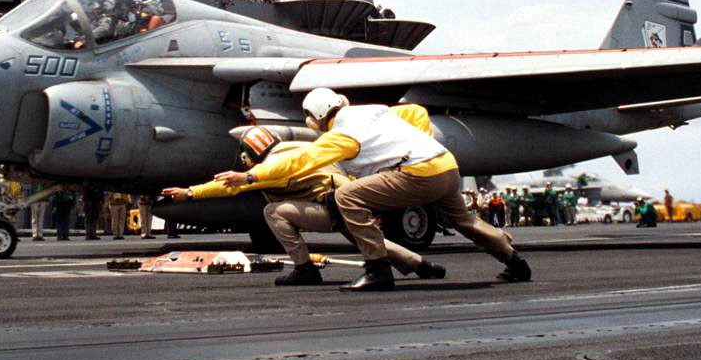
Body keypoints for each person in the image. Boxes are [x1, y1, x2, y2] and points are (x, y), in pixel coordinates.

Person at [218, 89, 530, 292]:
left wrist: (250, 177)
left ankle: (377, 270)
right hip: (445, 165)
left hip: (418, 172)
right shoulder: (375, 110)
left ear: (315, 118)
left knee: (346, 197)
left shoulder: (340, 136)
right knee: (465, 221)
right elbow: (416, 111)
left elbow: (301, 160)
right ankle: (516, 264)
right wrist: (420, 143)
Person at [165, 125, 445, 286]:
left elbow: (231, 185)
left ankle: (304, 269)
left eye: (244, 153)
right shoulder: (300, 147)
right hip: (346, 201)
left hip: (329, 208)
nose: (242, 158)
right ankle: (422, 266)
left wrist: (190, 193)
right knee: (369, 240)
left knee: (272, 211)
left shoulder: (271, 165)